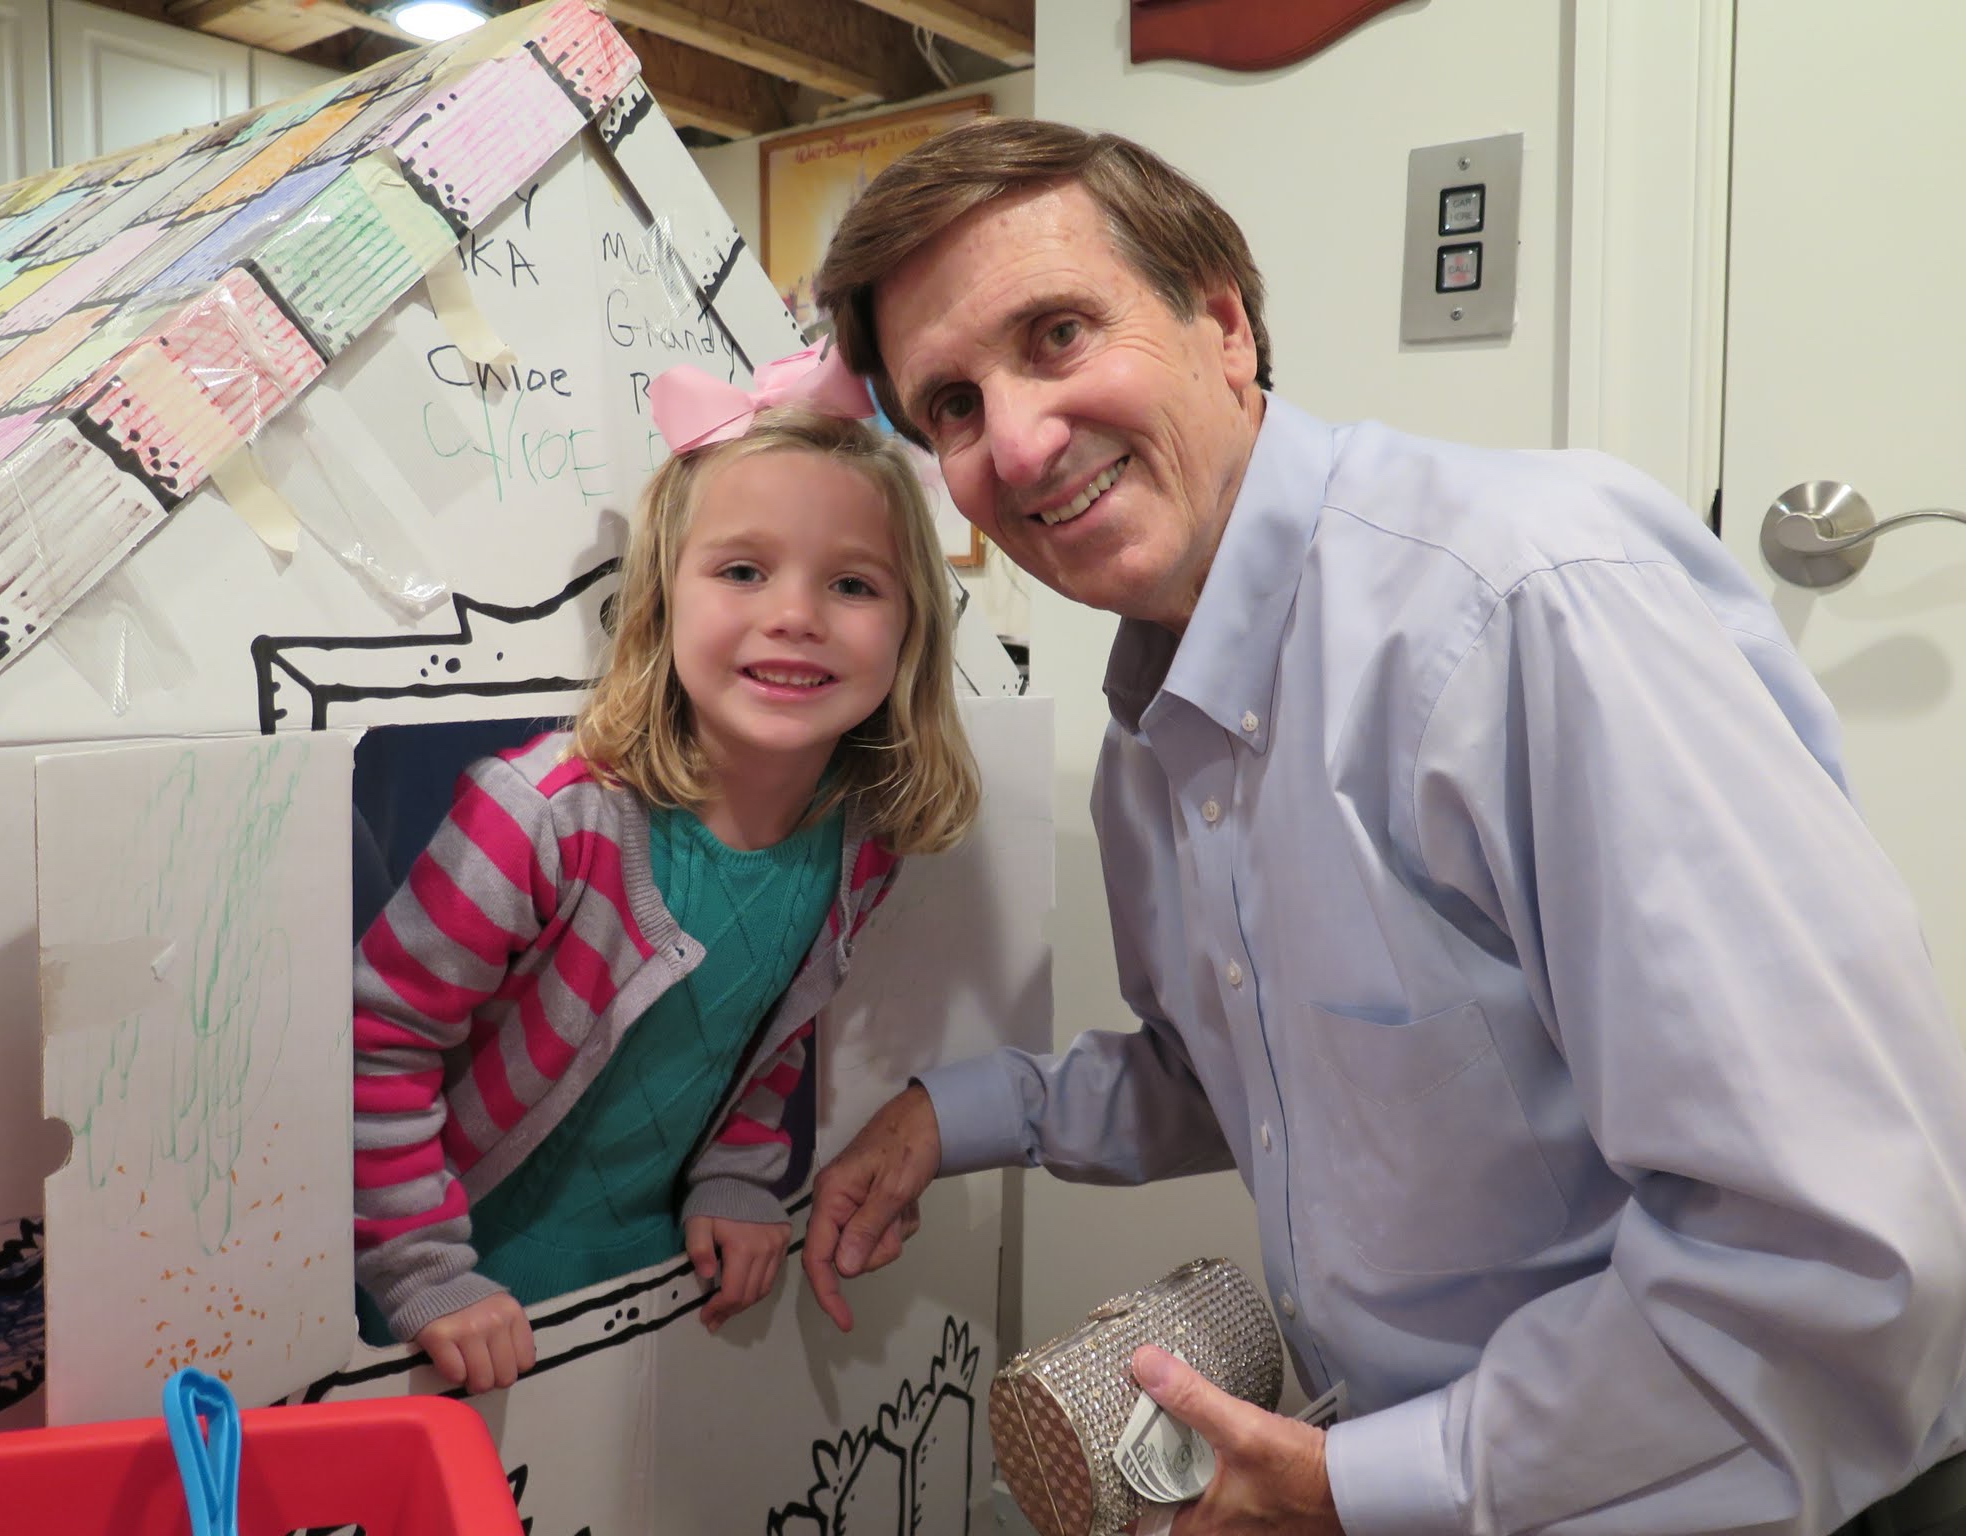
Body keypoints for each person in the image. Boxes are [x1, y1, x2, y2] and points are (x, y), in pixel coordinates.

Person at [799, 117, 1966, 1536]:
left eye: (1057, 334)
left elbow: (1831, 1259)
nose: (1020, 441)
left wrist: (1344, 1488)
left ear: (1225, 325)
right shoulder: (1150, 739)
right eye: (953, 407)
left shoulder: (1522, 601)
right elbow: (1257, 1076)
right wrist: (959, 1113)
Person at [351, 344, 980, 1394]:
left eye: (852, 584)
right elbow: (374, 1044)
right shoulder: (542, 817)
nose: (795, 614)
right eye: (742, 571)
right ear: (662, 599)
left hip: (649, 1290)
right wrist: (426, 1274)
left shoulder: (861, 839)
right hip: (446, 1301)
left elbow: (769, 1027)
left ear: (909, 626)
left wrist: (734, 1174)